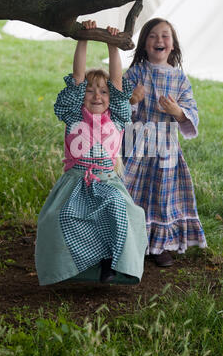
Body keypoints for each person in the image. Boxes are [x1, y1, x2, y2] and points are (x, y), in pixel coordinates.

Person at [35, 21, 147, 285]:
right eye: (90, 90)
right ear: (81, 95)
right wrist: (83, 38)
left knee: (117, 209)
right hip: (75, 182)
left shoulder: (117, 117)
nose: (97, 95)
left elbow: (118, 81)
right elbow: (76, 77)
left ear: (111, 97)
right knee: (62, 217)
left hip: (107, 180)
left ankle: (110, 263)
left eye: (103, 91)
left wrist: (112, 44)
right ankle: (72, 267)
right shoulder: (74, 114)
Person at [123, 18, 207, 267]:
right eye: (152, 36)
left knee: (162, 194)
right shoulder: (137, 72)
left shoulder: (180, 78)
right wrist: (133, 99)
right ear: (144, 44)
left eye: (165, 36)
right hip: (136, 144)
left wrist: (178, 112)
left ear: (173, 45)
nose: (159, 40)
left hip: (165, 148)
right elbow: (120, 107)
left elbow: (191, 111)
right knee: (131, 191)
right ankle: (130, 240)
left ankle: (159, 245)